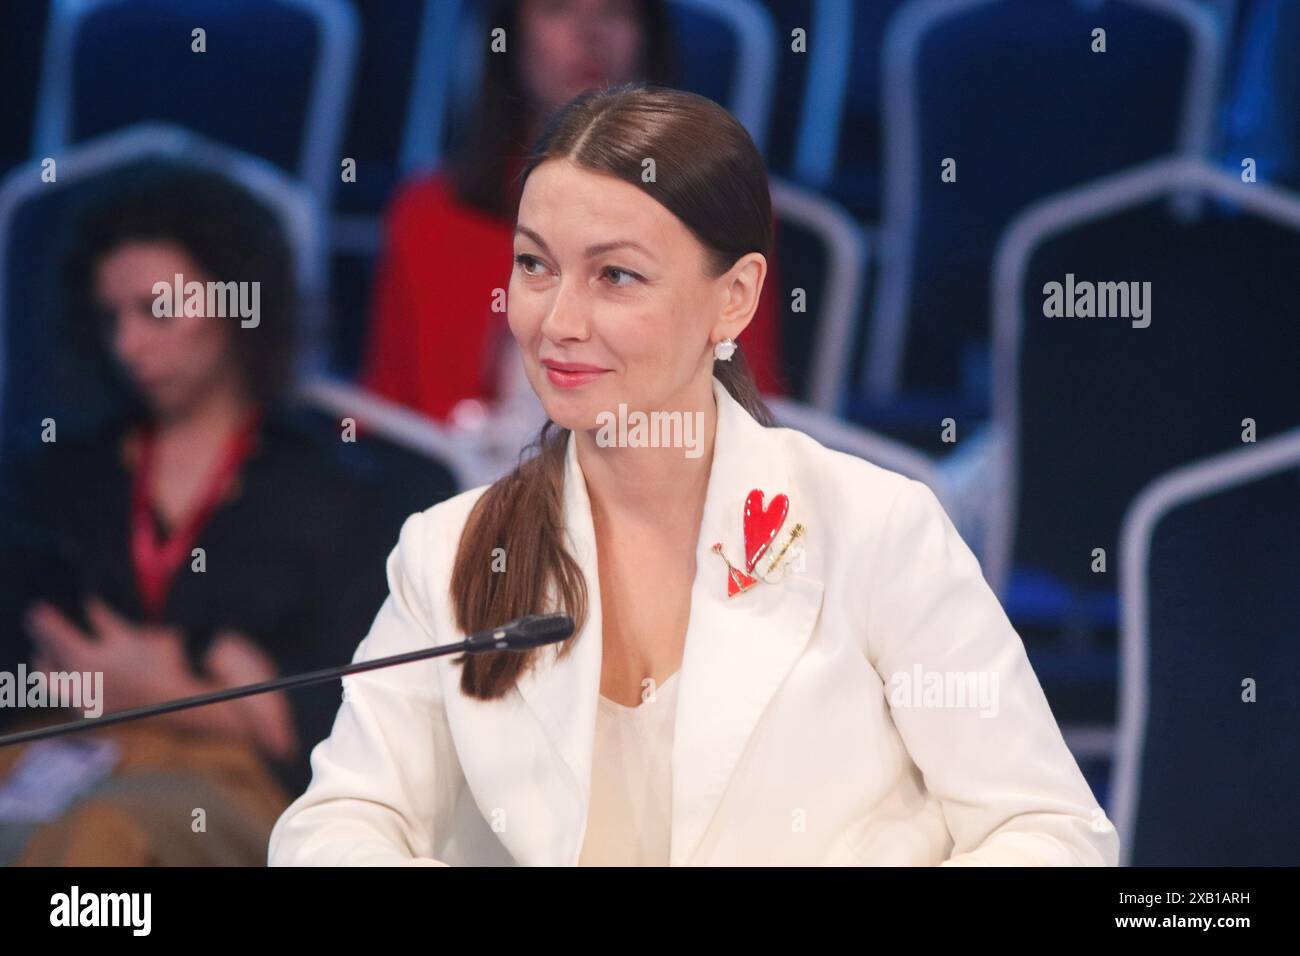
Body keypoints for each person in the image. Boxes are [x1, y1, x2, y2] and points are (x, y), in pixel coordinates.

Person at [268, 84, 1118, 866]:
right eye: (534, 265)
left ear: (736, 298)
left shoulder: (876, 530)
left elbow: (1048, 834)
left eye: (616, 276)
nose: (558, 320)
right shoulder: (449, 552)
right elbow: (337, 826)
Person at [0, 169, 453, 865]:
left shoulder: (341, 485)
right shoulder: (63, 470)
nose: (130, 345)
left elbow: (331, 720)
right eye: (111, 317)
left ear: (239, 303)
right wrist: (214, 686)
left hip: (227, 782)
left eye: (158, 311)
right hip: (55, 751)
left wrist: (149, 689)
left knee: (104, 838)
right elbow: (32, 659)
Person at [360, 0, 787, 435]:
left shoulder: (717, 206)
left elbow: (740, 404)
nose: (589, 35)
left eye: (616, 13)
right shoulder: (430, 213)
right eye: (556, 10)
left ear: (650, 37)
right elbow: (390, 420)